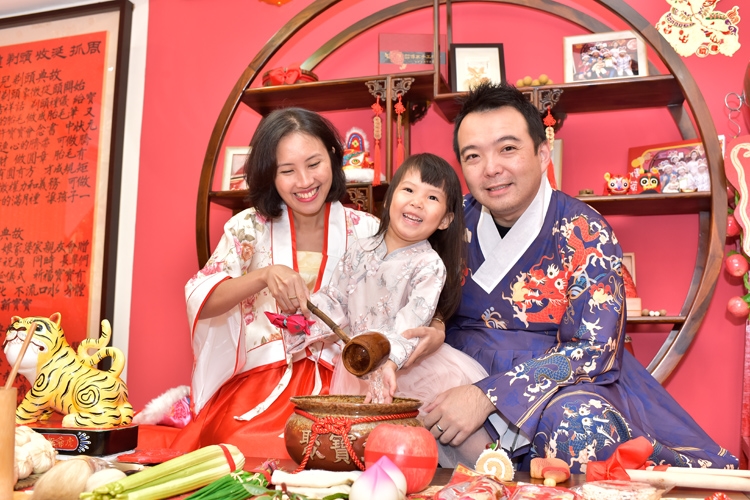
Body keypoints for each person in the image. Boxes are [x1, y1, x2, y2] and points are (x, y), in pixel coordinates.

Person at [422, 82, 739, 473]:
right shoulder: (449, 225)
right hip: (457, 372)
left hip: (560, 384)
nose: (491, 168)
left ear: (542, 154)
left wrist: (488, 396)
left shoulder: (583, 230)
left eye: (508, 148)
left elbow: (594, 348)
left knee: (578, 425)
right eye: (473, 155)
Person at [171, 108, 445, 460]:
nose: (304, 181)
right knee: (246, 450)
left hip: (347, 378)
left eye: (314, 164)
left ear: (333, 157)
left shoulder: (366, 229)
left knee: (355, 450)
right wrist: (263, 276)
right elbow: (203, 299)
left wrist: (438, 327)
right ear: (271, 174)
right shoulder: (248, 227)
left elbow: (413, 286)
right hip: (265, 380)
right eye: (287, 171)